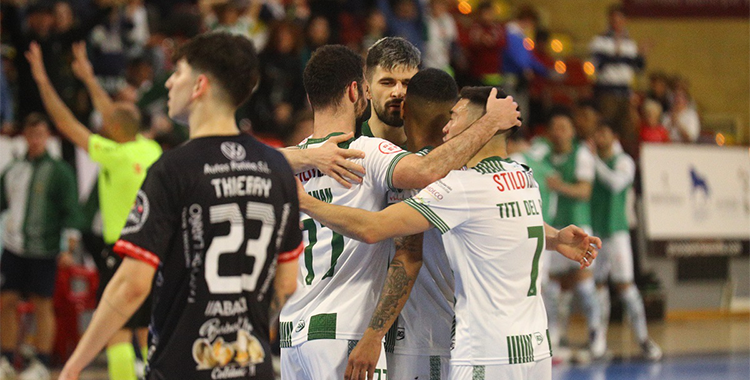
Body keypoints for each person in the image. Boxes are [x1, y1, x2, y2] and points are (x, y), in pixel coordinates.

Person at [298, 86, 601, 380]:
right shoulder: (522, 176)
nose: (446, 126)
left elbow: (372, 228)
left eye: (454, 116)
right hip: (535, 347)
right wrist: (555, 238)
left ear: (480, 124)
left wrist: (305, 201)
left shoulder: (460, 186)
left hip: (486, 352)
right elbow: (505, 222)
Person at [59, 32, 303, 380]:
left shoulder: (173, 169)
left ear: (199, 85)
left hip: (184, 367)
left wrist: (74, 365)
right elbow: (287, 282)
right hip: (252, 365)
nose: (170, 82)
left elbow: (132, 286)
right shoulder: (277, 167)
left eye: (179, 72)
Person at [279, 45, 522, 380]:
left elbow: (243, 164)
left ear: (309, 99)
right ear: (357, 90)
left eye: (406, 84)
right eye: (381, 83)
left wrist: (302, 158)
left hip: (293, 330)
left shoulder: (285, 162)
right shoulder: (369, 152)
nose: (397, 92)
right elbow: (424, 173)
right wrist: (492, 122)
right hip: (349, 330)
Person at [26, 41, 162, 380]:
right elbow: (116, 117)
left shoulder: (114, 156)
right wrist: (88, 78)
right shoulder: (150, 149)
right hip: (154, 251)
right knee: (147, 331)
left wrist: (43, 80)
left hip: (120, 251)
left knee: (116, 329)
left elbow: (66, 122)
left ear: (114, 131)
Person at [0, 114, 84, 380]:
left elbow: (71, 212)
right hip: (14, 246)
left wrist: (68, 249)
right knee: (6, 301)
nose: (35, 140)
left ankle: (41, 362)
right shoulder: (12, 169)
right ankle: (6, 359)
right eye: (31, 134)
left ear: (47, 137)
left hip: (45, 248)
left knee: (42, 303)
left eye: (40, 135)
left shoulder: (59, 171)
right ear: (24, 135)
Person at [591, 121, 662, 361]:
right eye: (596, 133)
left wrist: (593, 161)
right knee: (596, 285)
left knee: (625, 286)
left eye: (604, 132)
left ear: (614, 135)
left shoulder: (624, 161)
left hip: (617, 231)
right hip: (594, 231)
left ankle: (643, 339)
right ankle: (598, 342)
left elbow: (615, 183)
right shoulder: (590, 160)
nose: (599, 137)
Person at [542, 109, 605, 361]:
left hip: (578, 226)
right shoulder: (544, 154)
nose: (558, 132)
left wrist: (559, 186)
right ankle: (556, 336)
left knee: (584, 284)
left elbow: (584, 191)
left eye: (563, 127)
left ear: (572, 132)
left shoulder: (581, 154)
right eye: (554, 127)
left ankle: (596, 335)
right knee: (555, 286)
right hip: (554, 227)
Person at [589, 4, 646, 156]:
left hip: (625, 92)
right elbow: (596, 66)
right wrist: (615, 53)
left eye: (620, 19)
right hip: (607, 92)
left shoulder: (630, 44)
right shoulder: (600, 41)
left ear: (624, 21)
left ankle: (626, 161)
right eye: (614, 19)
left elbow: (637, 69)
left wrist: (641, 56)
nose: (617, 23)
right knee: (605, 128)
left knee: (627, 131)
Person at [360, 37, 421, 146]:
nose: (398, 92)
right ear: (367, 89)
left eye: (407, 84)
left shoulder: (433, 150)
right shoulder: (346, 147)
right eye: (387, 83)